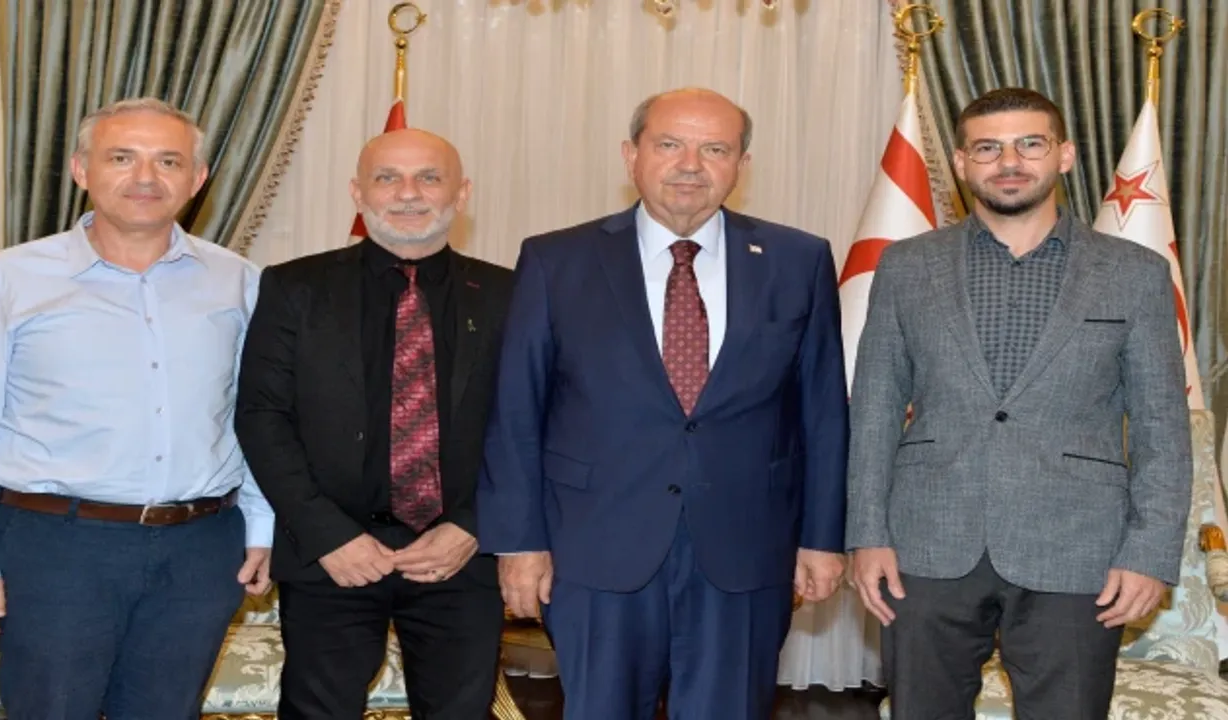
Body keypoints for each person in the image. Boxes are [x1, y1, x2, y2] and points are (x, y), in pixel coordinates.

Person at [476, 87, 849, 719]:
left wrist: (822, 539)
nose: (690, 165)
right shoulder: (556, 260)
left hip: (746, 547)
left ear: (742, 165)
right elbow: (517, 411)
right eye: (670, 144)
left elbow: (823, 412)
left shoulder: (798, 259)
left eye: (715, 149)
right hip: (594, 546)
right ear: (631, 155)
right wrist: (518, 543)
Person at [846, 87, 1193, 719]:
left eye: (1030, 144)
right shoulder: (906, 266)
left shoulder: (1135, 273)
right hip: (926, 543)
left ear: (1064, 154)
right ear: (960, 162)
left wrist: (1148, 553)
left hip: (1078, 548)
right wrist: (866, 534)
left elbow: (1161, 427)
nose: (1009, 161)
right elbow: (874, 408)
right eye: (988, 148)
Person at [0, 97, 273, 719]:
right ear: (81, 169)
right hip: (55, 548)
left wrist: (260, 526)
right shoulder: (2, 281)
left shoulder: (239, 281)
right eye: (121, 158)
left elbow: (255, 415)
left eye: (168, 161)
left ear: (198, 178)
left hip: (202, 548)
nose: (146, 177)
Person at [234, 128, 512, 719]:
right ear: (358, 194)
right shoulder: (294, 287)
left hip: (461, 555)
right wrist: (328, 535)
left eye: (429, 178)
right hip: (332, 555)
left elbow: (530, 425)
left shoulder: (508, 293)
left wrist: (474, 526)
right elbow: (262, 416)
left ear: (461, 194)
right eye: (388, 178)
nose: (408, 194)